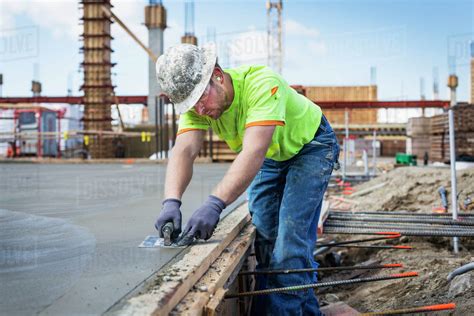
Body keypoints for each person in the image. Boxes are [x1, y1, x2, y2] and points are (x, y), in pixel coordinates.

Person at [154, 43, 339, 315]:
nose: (200, 111)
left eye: (201, 100)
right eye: (193, 106)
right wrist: (171, 201)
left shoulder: (262, 84)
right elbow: (184, 149)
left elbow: (254, 151)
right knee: (264, 238)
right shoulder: (199, 105)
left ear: (216, 75)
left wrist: (215, 203)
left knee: (290, 245)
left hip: (311, 146)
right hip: (273, 154)